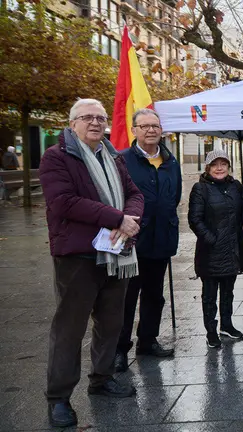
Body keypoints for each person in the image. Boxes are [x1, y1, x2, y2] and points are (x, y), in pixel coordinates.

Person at [38, 99, 144, 428]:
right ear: (73, 124)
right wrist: (118, 218)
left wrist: (131, 218)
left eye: (100, 118)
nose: (95, 123)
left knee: (111, 323)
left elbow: (134, 193)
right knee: (70, 329)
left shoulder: (113, 156)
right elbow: (64, 203)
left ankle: (101, 379)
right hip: (78, 257)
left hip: (116, 255)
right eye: (87, 118)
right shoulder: (56, 158)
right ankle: (59, 398)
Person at [113, 109, 181, 372]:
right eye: (145, 126)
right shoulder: (122, 160)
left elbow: (174, 197)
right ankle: (119, 349)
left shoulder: (170, 161)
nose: (151, 130)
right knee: (127, 297)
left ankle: (148, 341)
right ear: (134, 130)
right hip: (132, 240)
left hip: (161, 238)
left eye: (155, 126)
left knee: (154, 295)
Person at [188, 150, 243, 348]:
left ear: (229, 167)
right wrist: (212, 239)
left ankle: (227, 325)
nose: (219, 168)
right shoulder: (200, 189)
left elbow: (242, 212)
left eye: (223, 164)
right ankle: (211, 331)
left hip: (232, 249)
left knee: (228, 292)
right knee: (210, 294)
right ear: (208, 168)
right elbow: (195, 220)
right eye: (215, 164)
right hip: (210, 251)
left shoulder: (235, 186)